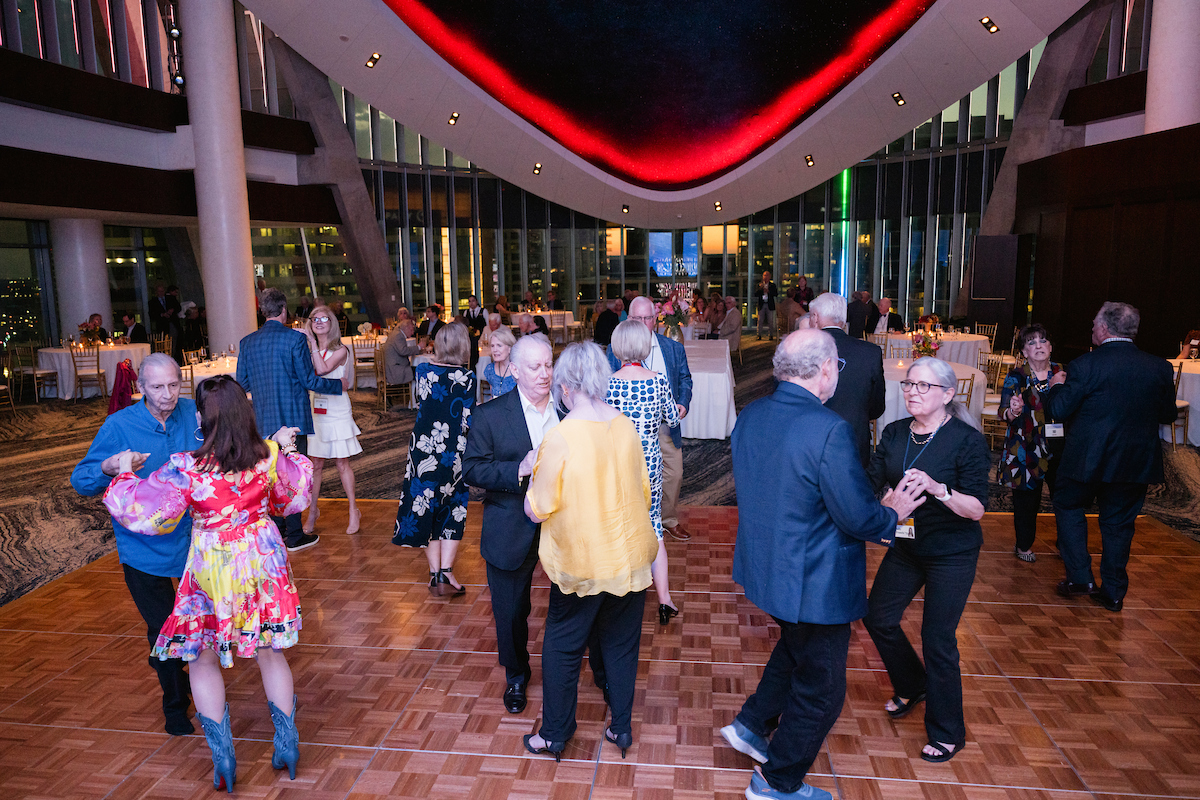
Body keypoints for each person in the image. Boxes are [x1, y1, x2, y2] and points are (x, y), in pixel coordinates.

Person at [720, 330, 923, 800]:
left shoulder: (752, 414)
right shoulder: (828, 429)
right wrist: (892, 513)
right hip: (813, 580)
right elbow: (855, 516)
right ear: (827, 369)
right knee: (823, 689)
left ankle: (752, 725)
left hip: (766, 568)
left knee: (797, 648)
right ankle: (776, 782)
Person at [102, 375, 313, 792]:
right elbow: (294, 497)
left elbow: (146, 513)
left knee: (201, 658)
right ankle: (288, 745)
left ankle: (224, 759)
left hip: (212, 566)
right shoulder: (266, 456)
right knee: (271, 652)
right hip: (262, 559)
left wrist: (124, 471)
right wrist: (285, 447)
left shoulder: (187, 466)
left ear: (201, 417)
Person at [522, 342, 657, 762]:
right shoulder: (624, 425)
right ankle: (621, 727)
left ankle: (555, 733)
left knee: (562, 648)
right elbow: (643, 490)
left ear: (565, 386)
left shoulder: (561, 436)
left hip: (583, 563)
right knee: (621, 646)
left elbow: (537, 509)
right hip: (630, 557)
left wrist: (531, 474)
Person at [863, 357, 990, 764]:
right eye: (908, 384)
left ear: (948, 394)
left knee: (938, 639)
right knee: (878, 617)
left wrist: (939, 489)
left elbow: (976, 509)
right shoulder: (896, 432)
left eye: (923, 386)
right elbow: (870, 481)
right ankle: (912, 683)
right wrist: (877, 502)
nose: (912, 392)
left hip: (951, 552)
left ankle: (948, 731)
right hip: (907, 547)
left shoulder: (967, 441)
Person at [71, 354, 199, 736]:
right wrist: (109, 468)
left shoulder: (194, 412)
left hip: (195, 542)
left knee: (197, 623)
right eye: (157, 387)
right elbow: (81, 480)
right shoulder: (119, 425)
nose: (168, 394)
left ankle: (183, 671)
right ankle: (175, 705)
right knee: (164, 629)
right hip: (142, 549)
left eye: (174, 385)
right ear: (140, 387)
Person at [1044, 301, 1177, 612]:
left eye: (1094, 323)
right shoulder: (1159, 367)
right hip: (1135, 461)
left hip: (1086, 458)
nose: (1092, 327)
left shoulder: (1084, 365)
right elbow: (1168, 415)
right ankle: (1114, 593)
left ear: (1104, 328)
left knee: (1067, 504)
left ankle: (1080, 577)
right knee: (1119, 524)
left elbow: (1058, 410)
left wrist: (1056, 386)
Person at [463, 333, 558, 714]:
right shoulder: (489, 415)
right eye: (535, 367)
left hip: (564, 525)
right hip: (510, 525)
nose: (545, 373)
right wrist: (518, 468)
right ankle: (516, 674)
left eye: (549, 365)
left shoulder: (569, 410)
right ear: (515, 370)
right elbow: (472, 470)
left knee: (577, 599)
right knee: (511, 610)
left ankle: (586, 668)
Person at [236, 287, 344, 552]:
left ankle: (278, 530)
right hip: (294, 418)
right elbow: (308, 380)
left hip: (263, 419)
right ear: (284, 310)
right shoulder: (295, 339)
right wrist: (338, 386)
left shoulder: (247, 342)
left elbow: (243, 383)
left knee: (270, 474)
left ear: (263, 311)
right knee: (292, 475)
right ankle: (295, 535)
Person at [606, 320, 682, 624]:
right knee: (654, 528)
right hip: (649, 462)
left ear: (617, 348)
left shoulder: (609, 383)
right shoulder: (657, 380)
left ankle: (619, 594)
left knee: (618, 523)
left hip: (617, 462)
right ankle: (664, 600)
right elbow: (673, 419)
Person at [393, 322, 476, 597]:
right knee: (453, 507)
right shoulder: (467, 377)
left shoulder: (423, 371)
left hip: (423, 449)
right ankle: (446, 572)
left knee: (426, 504)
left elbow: (424, 403)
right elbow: (468, 418)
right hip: (453, 451)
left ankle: (434, 574)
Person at [609, 296, 692, 540]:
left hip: (664, 427)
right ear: (629, 319)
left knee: (674, 474)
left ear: (656, 320)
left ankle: (668, 519)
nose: (643, 323)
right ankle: (636, 523)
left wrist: (682, 403)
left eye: (648, 318)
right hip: (626, 432)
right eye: (637, 318)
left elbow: (685, 379)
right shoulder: (615, 350)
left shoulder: (673, 348)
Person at [998, 325, 1065, 563]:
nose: (1038, 346)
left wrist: (1059, 388)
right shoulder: (1016, 376)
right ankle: (1023, 545)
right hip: (1026, 447)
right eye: (1031, 342)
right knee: (1026, 501)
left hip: (1060, 447)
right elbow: (1003, 412)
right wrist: (1013, 411)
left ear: (1050, 347)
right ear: (1024, 351)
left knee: (1065, 500)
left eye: (1042, 341)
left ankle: (1067, 546)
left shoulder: (1062, 373)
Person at [301, 305, 363, 536]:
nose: (318, 322)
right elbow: (304, 375)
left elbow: (321, 369)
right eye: (314, 319)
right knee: (315, 465)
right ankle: (313, 511)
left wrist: (311, 344)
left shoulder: (341, 350)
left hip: (337, 410)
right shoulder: (307, 350)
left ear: (332, 323)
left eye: (324, 318)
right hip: (316, 410)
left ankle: (353, 510)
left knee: (342, 463)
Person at [810, 292, 885, 467]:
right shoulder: (870, 352)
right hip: (855, 439)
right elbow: (877, 406)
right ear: (843, 321)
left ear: (815, 318)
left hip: (810, 441)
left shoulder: (800, 351)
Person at [383, 318, 422, 390]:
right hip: (396, 370)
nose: (412, 332)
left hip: (392, 367)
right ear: (406, 328)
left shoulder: (395, 333)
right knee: (421, 371)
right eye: (411, 330)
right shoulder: (398, 335)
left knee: (417, 369)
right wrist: (419, 347)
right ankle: (417, 394)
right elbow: (403, 351)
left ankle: (414, 394)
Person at [483, 325, 518, 398]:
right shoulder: (490, 369)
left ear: (510, 348)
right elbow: (492, 397)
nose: (495, 350)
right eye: (492, 346)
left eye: (499, 345)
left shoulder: (518, 370)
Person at [463, 294, 487, 370]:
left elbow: (487, 324)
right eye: (469, 301)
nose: (471, 303)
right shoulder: (466, 312)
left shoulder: (483, 311)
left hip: (481, 337)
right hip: (470, 338)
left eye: (473, 301)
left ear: (476, 301)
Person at [755, 271, 777, 341]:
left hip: (769, 304)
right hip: (762, 304)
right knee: (760, 320)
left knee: (770, 320)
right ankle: (759, 334)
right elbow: (755, 294)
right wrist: (761, 289)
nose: (765, 277)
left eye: (767, 275)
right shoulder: (759, 285)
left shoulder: (772, 285)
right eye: (764, 275)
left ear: (769, 277)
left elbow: (776, 294)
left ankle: (771, 334)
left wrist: (769, 291)